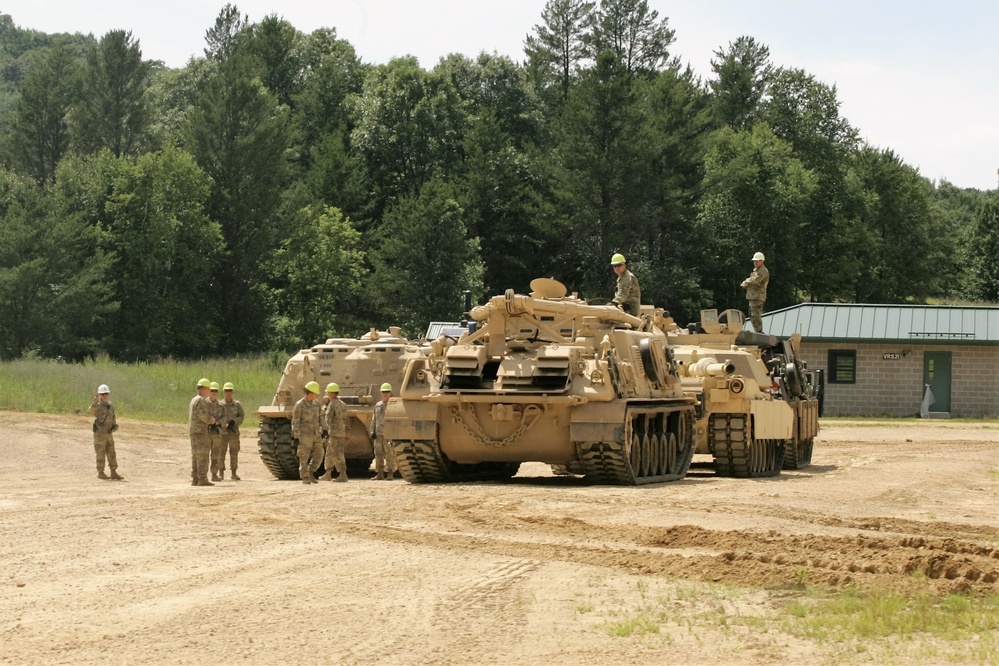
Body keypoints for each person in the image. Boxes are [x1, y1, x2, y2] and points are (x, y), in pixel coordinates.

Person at [88, 384, 123, 480]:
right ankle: (101, 472)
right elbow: (91, 413)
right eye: (102, 394)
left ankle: (113, 471)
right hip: (100, 433)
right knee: (100, 452)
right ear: (99, 394)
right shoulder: (97, 405)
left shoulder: (110, 405)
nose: (104, 396)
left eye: (106, 394)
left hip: (108, 433)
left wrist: (114, 425)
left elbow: (113, 416)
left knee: (111, 452)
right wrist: (95, 403)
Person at [292, 381, 324, 485]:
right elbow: (295, 421)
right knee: (303, 457)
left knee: (320, 454)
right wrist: (296, 436)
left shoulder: (316, 404)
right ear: (309, 393)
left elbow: (321, 417)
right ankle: (305, 477)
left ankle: (311, 472)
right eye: (315, 393)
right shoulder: (300, 405)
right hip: (304, 435)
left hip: (316, 434)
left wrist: (325, 428)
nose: (317, 395)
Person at [189, 378, 216, 487]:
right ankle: (202, 478)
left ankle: (195, 478)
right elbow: (203, 415)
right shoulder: (201, 400)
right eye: (209, 389)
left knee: (195, 455)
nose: (210, 392)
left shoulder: (194, 399)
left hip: (194, 431)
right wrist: (211, 420)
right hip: (200, 431)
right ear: (204, 389)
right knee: (203, 455)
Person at [320, 382, 349, 482]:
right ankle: (328, 473)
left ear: (331, 393)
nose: (327, 394)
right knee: (330, 452)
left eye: (328, 392)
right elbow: (346, 419)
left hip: (333, 433)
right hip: (340, 433)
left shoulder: (332, 405)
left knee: (337, 453)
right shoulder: (343, 404)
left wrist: (323, 430)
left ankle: (343, 474)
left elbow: (328, 419)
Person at [370, 383, 396, 480]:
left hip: (388, 434)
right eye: (383, 392)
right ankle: (379, 473)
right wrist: (372, 431)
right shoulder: (378, 405)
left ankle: (390, 473)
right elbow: (374, 419)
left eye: (387, 392)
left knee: (389, 454)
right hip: (378, 434)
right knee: (378, 454)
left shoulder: (393, 406)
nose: (385, 394)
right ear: (381, 393)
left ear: (390, 393)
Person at [220, 382, 245, 481]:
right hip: (222, 433)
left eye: (230, 391)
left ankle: (234, 473)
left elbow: (241, 417)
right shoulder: (220, 404)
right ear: (224, 392)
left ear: (233, 392)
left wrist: (234, 422)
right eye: (226, 391)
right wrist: (224, 424)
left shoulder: (237, 405)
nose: (228, 393)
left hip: (234, 433)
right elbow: (216, 416)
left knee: (234, 452)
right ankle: (220, 472)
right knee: (221, 453)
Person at [741, 251, 770, 333]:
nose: (755, 263)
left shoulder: (763, 271)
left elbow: (756, 280)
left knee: (755, 315)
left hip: (758, 297)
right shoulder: (756, 271)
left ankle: (759, 332)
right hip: (753, 296)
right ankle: (758, 331)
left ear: (762, 261)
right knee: (752, 315)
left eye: (757, 261)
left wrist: (746, 281)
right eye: (754, 261)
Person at [207, 381, 226, 481]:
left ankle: (214, 474)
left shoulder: (221, 405)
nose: (214, 392)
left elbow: (224, 417)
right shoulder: (205, 403)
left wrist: (218, 423)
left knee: (216, 454)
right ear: (209, 391)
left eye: (215, 391)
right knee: (204, 454)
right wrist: (209, 422)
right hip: (206, 432)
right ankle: (202, 475)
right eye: (212, 390)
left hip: (217, 433)